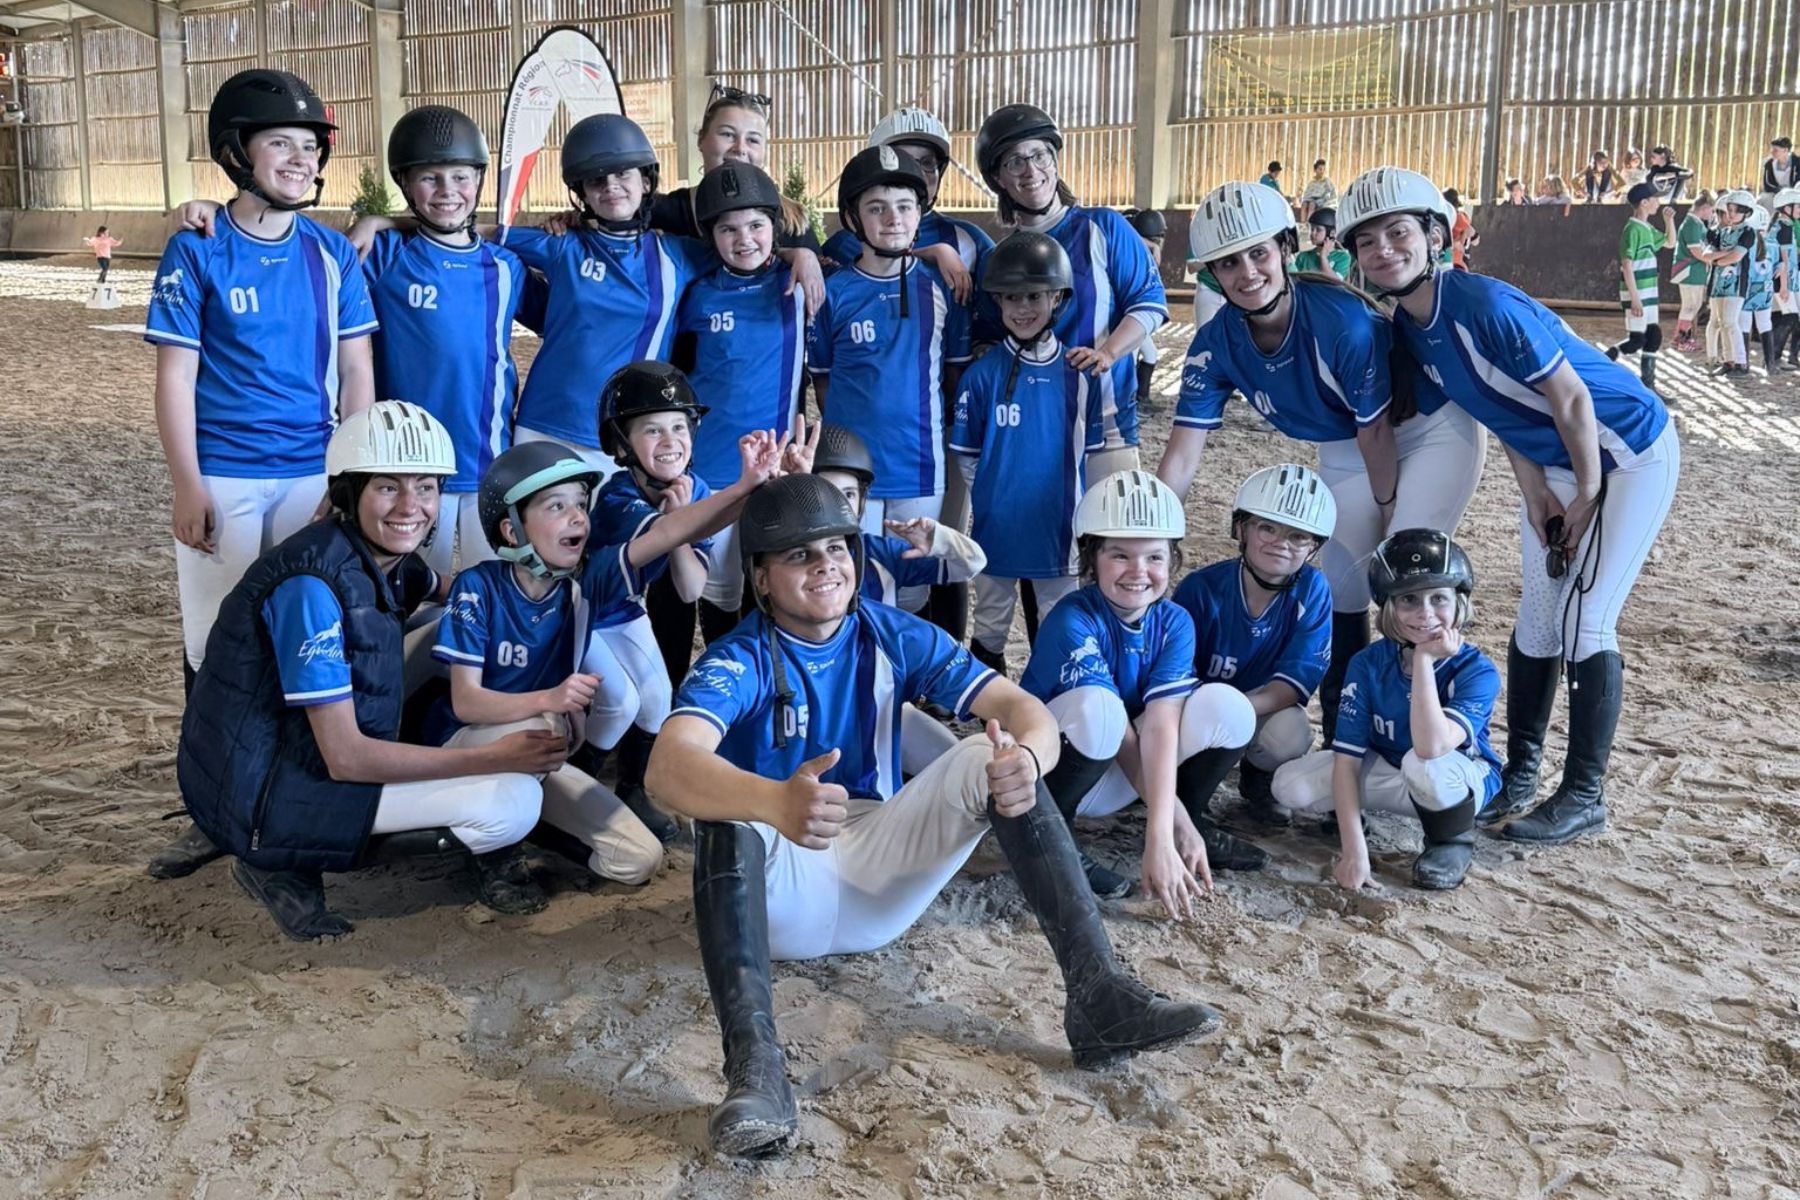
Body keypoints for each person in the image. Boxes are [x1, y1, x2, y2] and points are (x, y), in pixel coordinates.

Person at [647, 472, 1222, 1158]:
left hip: (878, 872)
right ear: (761, 578)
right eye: (799, 555)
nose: (826, 565)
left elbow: (1023, 710)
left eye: (836, 548)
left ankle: (1100, 998)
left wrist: (1031, 760)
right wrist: (770, 800)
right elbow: (667, 767)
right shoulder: (737, 657)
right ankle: (756, 1073)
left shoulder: (891, 633)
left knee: (991, 753)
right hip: (781, 897)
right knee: (725, 812)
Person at [1341, 164, 1679, 846]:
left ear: (1435, 236)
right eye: (1367, 241)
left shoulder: (1484, 304)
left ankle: (1584, 794)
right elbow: (1495, 409)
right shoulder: (1410, 327)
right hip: (1556, 460)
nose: (1383, 250)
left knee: (1587, 619)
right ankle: (1522, 774)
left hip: (1627, 449)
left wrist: (1587, 493)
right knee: (1540, 618)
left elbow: (1571, 397)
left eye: (1398, 233)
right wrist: (1535, 494)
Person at [176, 402, 568, 940]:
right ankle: (278, 863)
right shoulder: (311, 589)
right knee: (512, 806)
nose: (411, 506)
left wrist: (542, 583)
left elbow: (458, 591)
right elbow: (346, 758)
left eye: (425, 487)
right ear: (348, 492)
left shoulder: (378, 557)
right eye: (388, 487)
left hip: (281, 754)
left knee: (449, 624)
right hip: (260, 797)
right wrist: (491, 758)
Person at [145, 69, 378, 882]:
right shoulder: (198, 246)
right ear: (237, 153)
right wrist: (188, 483)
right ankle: (211, 807)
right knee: (215, 647)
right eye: (282, 143)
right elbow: (176, 377)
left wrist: (347, 478)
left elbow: (357, 374)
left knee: (303, 635)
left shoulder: (330, 253)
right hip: (227, 476)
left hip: (311, 475)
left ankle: (286, 795)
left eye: (311, 147)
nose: (301, 159)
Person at [1159, 180, 1487, 746]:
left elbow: (1377, 431)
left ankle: (1428, 733)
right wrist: (1155, 535)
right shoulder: (1215, 343)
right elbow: (1182, 454)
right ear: (1212, 273)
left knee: (1403, 574)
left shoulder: (1343, 323)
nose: (1247, 273)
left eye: (1258, 253)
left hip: (1428, 434)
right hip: (1347, 444)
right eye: (1229, 263)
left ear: (1286, 248)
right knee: (1341, 587)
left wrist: (1389, 514)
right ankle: (1345, 736)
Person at [1021, 470, 1261, 896]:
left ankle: (1193, 820)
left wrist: (1170, 827)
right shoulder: (1071, 618)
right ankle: (1054, 837)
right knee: (1102, 708)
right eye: (1119, 555)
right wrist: (1166, 830)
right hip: (1058, 774)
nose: (1138, 571)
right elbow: (1120, 733)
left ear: (1172, 560)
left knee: (1228, 706)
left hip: (1125, 777)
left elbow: (1161, 724)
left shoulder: (1174, 620)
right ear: (1091, 558)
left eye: (1154, 557)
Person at [359, 104, 537, 576]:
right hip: (410, 467)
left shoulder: (506, 267)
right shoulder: (385, 256)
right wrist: (378, 222)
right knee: (411, 592)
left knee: (495, 591)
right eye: (429, 178)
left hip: (488, 464)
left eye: (460, 176)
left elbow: (569, 318)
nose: (446, 190)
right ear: (405, 184)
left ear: (478, 179)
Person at [1271, 529, 1500, 892]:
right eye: (1409, 599)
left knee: (1421, 763)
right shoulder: (1368, 663)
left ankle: (1451, 840)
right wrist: (1354, 851)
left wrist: (1423, 661)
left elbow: (1430, 747)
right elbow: (1347, 760)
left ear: (1459, 601)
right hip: (1393, 772)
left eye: (1439, 598)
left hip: (1453, 781)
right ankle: (1355, 817)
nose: (1425, 614)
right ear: (1388, 606)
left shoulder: (1477, 670)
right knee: (1289, 786)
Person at [808, 145, 970, 618]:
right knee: (853, 581)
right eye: (876, 208)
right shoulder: (833, 293)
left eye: (904, 206)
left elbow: (952, 375)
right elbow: (823, 383)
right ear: (853, 218)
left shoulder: (942, 287)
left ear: (920, 213)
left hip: (918, 464)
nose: (893, 218)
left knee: (912, 589)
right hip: (848, 468)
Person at [972, 104, 1168, 479]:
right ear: (998, 178)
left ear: (1055, 159)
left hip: (1106, 420)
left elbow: (1149, 303)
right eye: (1015, 162)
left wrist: (1108, 352)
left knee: (1113, 516)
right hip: (1035, 424)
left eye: (1039, 155)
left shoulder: (1104, 227)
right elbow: (989, 341)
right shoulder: (997, 260)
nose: (1031, 170)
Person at [950, 231, 1103, 674]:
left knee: (1058, 624)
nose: (1022, 308)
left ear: (1057, 297)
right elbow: (969, 457)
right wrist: (997, 496)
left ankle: (1053, 697)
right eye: (1012, 297)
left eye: (1034, 295)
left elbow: (1088, 457)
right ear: (997, 301)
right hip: (997, 526)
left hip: (1058, 528)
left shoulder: (1080, 375)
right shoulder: (981, 376)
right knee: (990, 622)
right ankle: (991, 700)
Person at [1172, 464, 1337, 859]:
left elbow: (1292, 685)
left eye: (1298, 536)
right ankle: (1186, 793)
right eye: (1268, 528)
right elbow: (1174, 678)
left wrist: (1236, 714)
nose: (1281, 543)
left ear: (1314, 547)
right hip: (1195, 710)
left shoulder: (1313, 589)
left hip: (1255, 706)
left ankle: (1256, 778)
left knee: (1291, 733)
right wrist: (1218, 718)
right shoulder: (1201, 589)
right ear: (1241, 529)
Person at [672, 162, 807, 643]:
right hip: (711, 467)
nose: (744, 238)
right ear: (711, 236)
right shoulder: (698, 295)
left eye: (755, 225)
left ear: (774, 226)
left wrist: (804, 255)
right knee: (718, 590)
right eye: (728, 229)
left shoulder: (798, 286)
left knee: (769, 586)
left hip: (773, 467)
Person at [645, 83, 825, 312]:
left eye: (753, 140)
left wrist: (803, 256)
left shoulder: (792, 222)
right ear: (701, 140)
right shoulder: (660, 214)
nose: (740, 148)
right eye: (728, 134)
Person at [811, 423, 985, 609]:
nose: (840, 506)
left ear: (862, 499)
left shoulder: (880, 554)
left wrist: (941, 539)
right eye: (826, 493)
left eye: (849, 494)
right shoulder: (789, 557)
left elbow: (974, 563)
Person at [1606, 182, 1679, 392]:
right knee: (1637, 340)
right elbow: (1627, 266)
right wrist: (1635, 298)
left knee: (1653, 336)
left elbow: (1670, 243)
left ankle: (1649, 385)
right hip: (1638, 294)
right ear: (1644, 203)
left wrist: (1669, 221)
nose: (1658, 203)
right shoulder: (1632, 230)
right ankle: (1606, 358)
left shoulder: (1647, 228)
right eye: (1655, 199)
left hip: (1648, 294)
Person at [1701, 189, 1758, 377]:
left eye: (1737, 211)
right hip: (1718, 283)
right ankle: (1729, 361)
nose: (1732, 214)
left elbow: (1736, 257)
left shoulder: (1748, 232)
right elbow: (1706, 254)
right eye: (1730, 210)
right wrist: (1724, 255)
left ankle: (1741, 362)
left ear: (1746, 213)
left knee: (1730, 322)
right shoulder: (1722, 231)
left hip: (1737, 283)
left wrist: (1718, 260)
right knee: (1721, 322)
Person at [1121, 207, 1168, 411]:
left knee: (1150, 353)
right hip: (1128, 314)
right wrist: (1152, 245)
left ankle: (1142, 397)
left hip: (1136, 313)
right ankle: (1128, 402)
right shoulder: (1130, 248)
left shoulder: (1143, 251)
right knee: (1130, 356)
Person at [1738, 203, 1782, 373]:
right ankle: (1770, 364)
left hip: (1747, 290)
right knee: (1765, 324)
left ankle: (1744, 363)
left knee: (1744, 325)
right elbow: (1779, 265)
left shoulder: (1747, 244)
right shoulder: (1773, 243)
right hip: (1765, 291)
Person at [1669, 190, 1715, 354]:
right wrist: (1711, 259)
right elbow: (1696, 250)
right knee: (1690, 306)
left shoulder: (1696, 223)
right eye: (1711, 210)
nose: (1712, 214)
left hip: (1694, 270)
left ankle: (1681, 338)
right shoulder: (1692, 224)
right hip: (1689, 270)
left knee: (1693, 305)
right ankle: (1682, 339)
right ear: (1705, 208)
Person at [1771, 187, 1800, 366]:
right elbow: (1784, 259)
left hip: (1787, 279)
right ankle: (1774, 357)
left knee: (1787, 317)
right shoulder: (1785, 228)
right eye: (1798, 206)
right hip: (1784, 280)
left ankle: (1776, 357)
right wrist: (1784, 285)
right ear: (1787, 208)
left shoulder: (1782, 225)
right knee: (1790, 318)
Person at [1292, 207, 1351, 278]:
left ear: (1332, 233)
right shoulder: (1303, 256)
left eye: (1318, 230)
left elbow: (1334, 281)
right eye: (1312, 229)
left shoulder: (1342, 257)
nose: (1313, 233)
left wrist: (1323, 257)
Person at [1443, 190, 1477, 269]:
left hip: (1452, 260)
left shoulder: (1458, 218)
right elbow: (1475, 240)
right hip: (1454, 260)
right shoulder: (1461, 217)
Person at [1760, 135, 1796, 204]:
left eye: (1775, 150)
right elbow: (1767, 184)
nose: (1772, 152)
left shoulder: (1797, 164)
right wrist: (1779, 190)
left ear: (1785, 150)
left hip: (1794, 195)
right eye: (1772, 150)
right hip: (1776, 194)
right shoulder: (1769, 164)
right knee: (1762, 199)